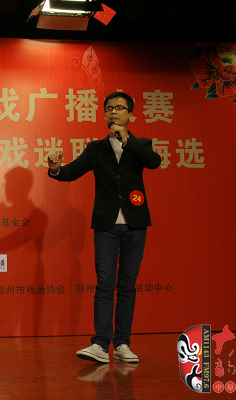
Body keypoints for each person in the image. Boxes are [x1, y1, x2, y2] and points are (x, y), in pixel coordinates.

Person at [47, 92, 162, 363]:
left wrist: (127, 140)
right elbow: (71, 172)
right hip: (106, 225)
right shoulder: (95, 148)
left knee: (127, 286)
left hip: (135, 224)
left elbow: (154, 162)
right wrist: (56, 168)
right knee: (105, 284)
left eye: (119, 108)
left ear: (130, 114)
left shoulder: (140, 144)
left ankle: (122, 344)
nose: (113, 112)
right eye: (109, 108)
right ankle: (100, 344)